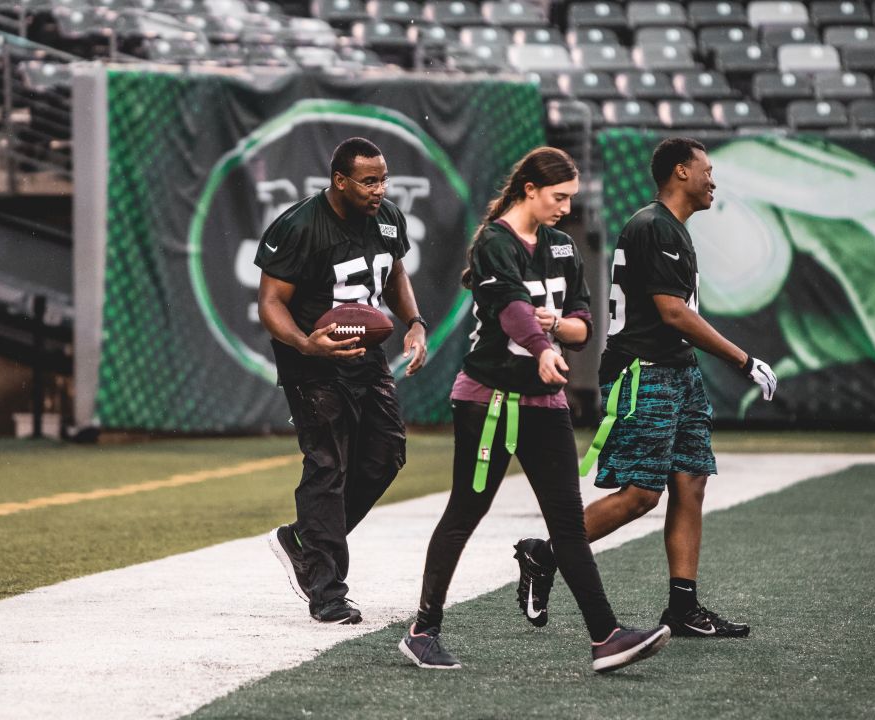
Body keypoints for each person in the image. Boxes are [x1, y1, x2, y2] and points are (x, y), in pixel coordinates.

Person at [399, 147, 671, 673]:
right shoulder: (494, 242)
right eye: (559, 196)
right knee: (466, 510)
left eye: (571, 198)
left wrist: (557, 331)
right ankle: (422, 630)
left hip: (544, 401)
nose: (566, 208)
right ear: (529, 189)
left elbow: (583, 323)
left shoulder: (563, 247)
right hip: (490, 401)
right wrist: (545, 346)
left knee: (567, 523)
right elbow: (512, 311)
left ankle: (606, 637)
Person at [512, 137, 778, 639]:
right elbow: (673, 311)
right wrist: (744, 361)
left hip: (677, 369)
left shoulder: (668, 227)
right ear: (681, 171)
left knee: (691, 480)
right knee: (640, 494)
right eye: (707, 169)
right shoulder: (654, 226)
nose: (713, 179)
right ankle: (544, 553)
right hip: (644, 369)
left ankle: (682, 607)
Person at [255, 137, 428, 625]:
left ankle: (306, 540)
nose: (379, 189)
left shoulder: (389, 217)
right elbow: (270, 302)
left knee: (386, 454)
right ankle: (327, 591)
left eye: (383, 179)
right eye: (368, 181)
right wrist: (306, 343)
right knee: (328, 465)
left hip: (365, 357)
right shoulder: (299, 225)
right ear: (339, 180)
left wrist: (415, 322)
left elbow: (393, 273)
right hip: (311, 361)